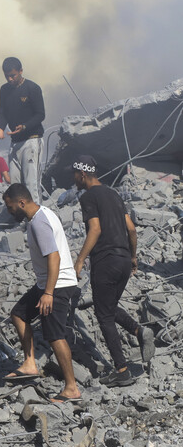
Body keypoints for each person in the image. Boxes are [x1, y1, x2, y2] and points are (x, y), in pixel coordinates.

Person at [72, 155, 155, 387]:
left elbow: (95, 229)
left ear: (83, 174)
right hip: (123, 261)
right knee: (107, 306)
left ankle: (121, 370)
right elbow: (131, 229)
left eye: (74, 174)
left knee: (104, 315)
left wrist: (80, 260)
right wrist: (133, 256)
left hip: (105, 261)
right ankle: (139, 331)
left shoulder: (88, 197)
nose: (74, 178)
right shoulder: (115, 195)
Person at [2, 183, 81, 403]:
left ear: (21, 203)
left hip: (57, 285)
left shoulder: (39, 223)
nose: (9, 212)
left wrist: (48, 293)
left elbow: (53, 257)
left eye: (10, 208)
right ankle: (29, 363)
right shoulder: (41, 215)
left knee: (55, 335)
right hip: (48, 283)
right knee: (18, 313)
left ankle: (72, 388)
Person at [0, 57, 45, 201]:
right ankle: (20, 217)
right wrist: (0, 127)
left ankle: (35, 217)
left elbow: (41, 114)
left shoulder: (32, 88)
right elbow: (2, 112)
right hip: (15, 142)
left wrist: (24, 126)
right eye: (7, 76)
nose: (10, 79)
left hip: (31, 140)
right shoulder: (4, 90)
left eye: (13, 75)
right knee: (15, 184)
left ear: (21, 71)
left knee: (31, 183)